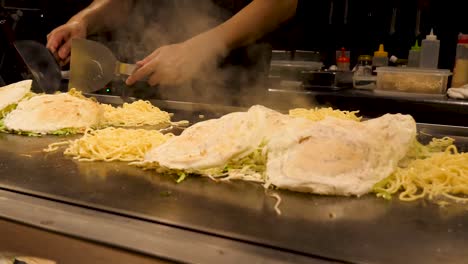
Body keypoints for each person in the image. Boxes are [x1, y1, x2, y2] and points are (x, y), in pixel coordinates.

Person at [46, 0, 298, 88]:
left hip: (225, 91)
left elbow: (280, 3)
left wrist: (199, 49)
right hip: (142, 86)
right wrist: (85, 20)